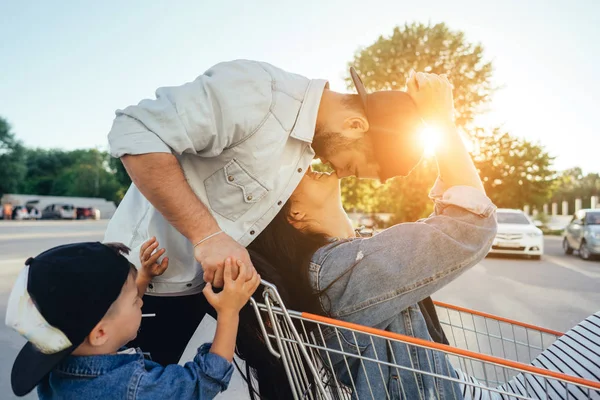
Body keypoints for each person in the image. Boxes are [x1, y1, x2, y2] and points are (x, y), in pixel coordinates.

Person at [240, 73, 600, 399]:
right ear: (294, 214)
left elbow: (448, 223)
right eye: (293, 174)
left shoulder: (347, 261)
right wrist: (442, 121)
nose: (305, 164)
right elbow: (468, 228)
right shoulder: (336, 270)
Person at [104, 59, 426, 365]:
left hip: (203, 283)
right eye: (352, 167)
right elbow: (134, 131)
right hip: (147, 281)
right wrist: (208, 236)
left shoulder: (304, 149)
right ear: (356, 125)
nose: (340, 174)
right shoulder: (257, 94)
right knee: (131, 386)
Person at [5, 238, 260, 398]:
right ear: (99, 333)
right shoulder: (133, 388)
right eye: (134, 299)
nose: (141, 300)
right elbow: (203, 381)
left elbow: (107, 320)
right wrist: (229, 312)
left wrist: (142, 279)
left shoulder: (60, 367)